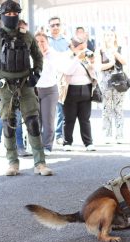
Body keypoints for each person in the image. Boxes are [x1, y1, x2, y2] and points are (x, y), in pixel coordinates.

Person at [0, 0, 52, 176]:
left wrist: (36, 74)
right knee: (8, 123)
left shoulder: (26, 36)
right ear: (1, 16)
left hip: (25, 84)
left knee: (33, 122)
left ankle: (40, 163)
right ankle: (12, 163)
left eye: (14, 14)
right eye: (8, 14)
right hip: (4, 86)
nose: (11, 17)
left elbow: (38, 57)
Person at [57, 36, 99, 151]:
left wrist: (92, 63)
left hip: (86, 88)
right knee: (69, 119)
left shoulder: (86, 55)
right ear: (73, 47)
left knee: (85, 119)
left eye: (84, 48)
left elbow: (94, 71)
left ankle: (88, 143)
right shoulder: (66, 56)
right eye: (80, 48)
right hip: (70, 90)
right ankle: (67, 142)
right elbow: (67, 70)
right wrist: (77, 58)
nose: (83, 50)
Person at [99, 30, 127, 144]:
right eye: (107, 35)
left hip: (118, 79)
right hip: (105, 80)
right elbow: (98, 66)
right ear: (104, 37)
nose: (109, 37)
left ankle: (119, 134)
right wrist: (110, 64)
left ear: (115, 37)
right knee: (106, 108)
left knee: (118, 107)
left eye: (111, 35)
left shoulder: (119, 49)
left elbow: (124, 62)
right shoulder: (100, 50)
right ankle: (107, 134)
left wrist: (115, 53)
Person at [34, 32, 59, 155]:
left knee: (47, 120)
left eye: (42, 41)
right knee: (35, 120)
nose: (40, 44)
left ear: (47, 42)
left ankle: (47, 146)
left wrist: (42, 57)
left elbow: (51, 71)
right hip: (34, 90)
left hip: (49, 90)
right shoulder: (31, 54)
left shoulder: (52, 54)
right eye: (37, 41)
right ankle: (36, 146)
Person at [48, 16, 70, 146]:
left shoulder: (66, 41)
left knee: (61, 109)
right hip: (48, 78)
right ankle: (47, 137)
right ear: (49, 27)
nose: (55, 27)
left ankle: (59, 135)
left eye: (57, 25)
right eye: (52, 25)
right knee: (48, 110)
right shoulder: (45, 41)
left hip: (62, 79)